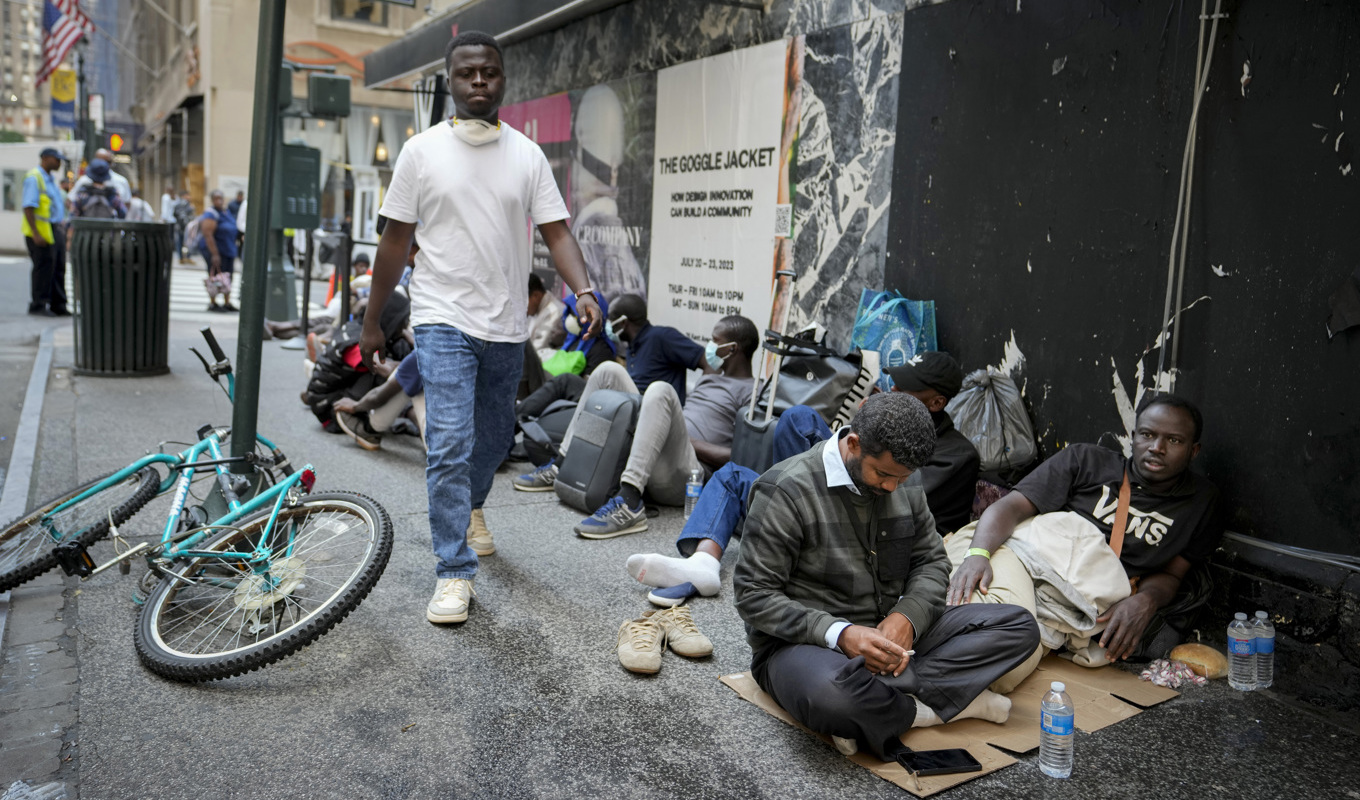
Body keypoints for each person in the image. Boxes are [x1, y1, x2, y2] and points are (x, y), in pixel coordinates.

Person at [359, 30, 602, 626]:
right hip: (441, 316)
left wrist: (586, 288)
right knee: (447, 441)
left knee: (493, 441)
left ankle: (469, 506)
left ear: (501, 79)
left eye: (488, 73)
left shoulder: (526, 155)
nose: (477, 82)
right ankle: (453, 571)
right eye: (467, 73)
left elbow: (557, 233)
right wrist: (371, 320)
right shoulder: (420, 152)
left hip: (504, 323)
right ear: (451, 79)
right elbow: (395, 243)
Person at [730, 392, 1040, 762]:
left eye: (902, 477)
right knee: (831, 695)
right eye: (883, 474)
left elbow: (931, 561)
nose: (893, 487)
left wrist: (906, 617)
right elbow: (754, 595)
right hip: (806, 646)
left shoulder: (904, 478)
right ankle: (928, 709)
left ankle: (876, 703)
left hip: (894, 641)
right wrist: (841, 634)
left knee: (1019, 627)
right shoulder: (785, 489)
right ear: (854, 444)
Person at [627, 351, 981, 606]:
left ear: (936, 402)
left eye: (904, 391)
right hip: (833, 502)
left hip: (855, 529)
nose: (892, 394)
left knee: (742, 478)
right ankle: (704, 561)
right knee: (790, 425)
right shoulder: (880, 431)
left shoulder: (948, 459)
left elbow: (888, 503)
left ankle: (736, 538)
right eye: (893, 385)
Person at [945, 392, 1222, 691]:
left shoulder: (1202, 503)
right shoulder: (1087, 461)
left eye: (1174, 441)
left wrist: (1145, 600)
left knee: (1007, 670)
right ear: (1133, 436)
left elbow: (1172, 574)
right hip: (1020, 557)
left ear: (1194, 451)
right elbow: (1009, 508)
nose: (1157, 448)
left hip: (1075, 601)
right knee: (974, 628)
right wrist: (978, 553)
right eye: (1147, 435)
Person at [515, 315, 757, 538]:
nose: (709, 348)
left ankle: (629, 501)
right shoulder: (711, 377)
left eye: (715, 341)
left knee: (660, 389)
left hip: (687, 475)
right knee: (608, 371)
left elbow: (742, 460)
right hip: (656, 455)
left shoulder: (752, 392)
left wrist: (691, 443)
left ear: (733, 349)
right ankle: (561, 464)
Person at [604, 294, 708, 404]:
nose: (609, 326)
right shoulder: (632, 346)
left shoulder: (662, 337)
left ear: (623, 323)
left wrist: (696, 405)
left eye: (611, 321)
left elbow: (709, 363)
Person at [334, 354, 426, 451]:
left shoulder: (425, 349)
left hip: (437, 449)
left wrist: (355, 406)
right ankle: (423, 430)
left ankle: (369, 428)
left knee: (407, 376)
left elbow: (378, 397)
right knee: (414, 376)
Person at [22, 148, 68, 317]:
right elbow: (28, 207)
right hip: (40, 232)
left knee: (58, 268)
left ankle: (58, 305)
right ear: (45, 158)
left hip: (54, 229)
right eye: (56, 159)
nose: (59, 163)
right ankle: (38, 305)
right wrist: (35, 233)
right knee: (43, 269)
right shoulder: (34, 178)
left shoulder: (49, 179)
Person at [197, 189, 240, 312]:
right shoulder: (210, 214)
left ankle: (227, 302)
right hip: (216, 251)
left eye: (221, 198)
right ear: (212, 200)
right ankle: (213, 303)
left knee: (227, 277)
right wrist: (215, 254)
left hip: (228, 250)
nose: (219, 201)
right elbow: (208, 234)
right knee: (215, 277)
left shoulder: (226, 212)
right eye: (216, 198)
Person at [527, 273, 565, 356]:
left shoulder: (554, 311)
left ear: (535, 296)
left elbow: (537, 350)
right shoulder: (537, 309)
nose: (523, 308)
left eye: (523, 302)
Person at [173, 190, 195, 263]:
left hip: (184, 226)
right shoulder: (182, 204)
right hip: (182, 226)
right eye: (187, 195)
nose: (189, 197)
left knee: (186, 242)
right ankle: (182, 257)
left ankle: (185, 257)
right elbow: (181, 215)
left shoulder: (187, 204)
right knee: (181, 242)